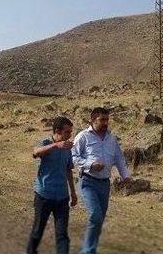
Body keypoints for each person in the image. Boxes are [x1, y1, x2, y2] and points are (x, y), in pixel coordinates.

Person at [71, 107, 131, 254]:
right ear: (92, 120)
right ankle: (87, 251)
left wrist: (126, 176)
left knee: (98, 221)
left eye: (107, 120)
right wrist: (90, 165)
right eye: (102, 120)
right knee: (95, 216)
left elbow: (119, 158)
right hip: (87, 182)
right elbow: (73, 157)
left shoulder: (111, 138)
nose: (105, 123)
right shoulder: (83, 136)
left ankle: (90, 248)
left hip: (105, 185)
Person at [26, 116, 77, 254]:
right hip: (44, 196)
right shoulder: (46, 142)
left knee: (62, 236)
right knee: (37, 231)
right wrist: (55, 145)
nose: (70, 135)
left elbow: (68, 170)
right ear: (56, 131)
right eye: (67, 132)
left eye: (70, 132)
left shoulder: (67, 148)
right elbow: (35, 152)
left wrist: (73, 193)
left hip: (62, 197)